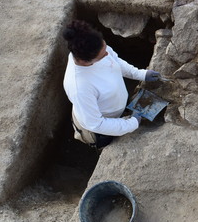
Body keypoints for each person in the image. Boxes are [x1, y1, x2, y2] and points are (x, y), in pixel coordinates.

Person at [62, 20, 161, 149]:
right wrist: (132, 123)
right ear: (86, 60)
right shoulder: (80, 87)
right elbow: (96, 124)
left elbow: (115, 61)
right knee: (109, 143)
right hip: (98, 130)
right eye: (102, 55)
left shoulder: (96, 48)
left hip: (113, 110)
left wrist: (140, 74)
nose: (108, 54)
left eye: (105, 47)